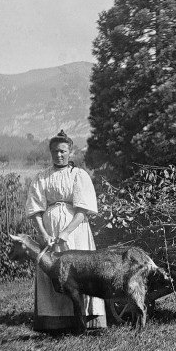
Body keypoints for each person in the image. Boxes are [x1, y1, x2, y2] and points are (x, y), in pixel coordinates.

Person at [25, 130, 106, 332]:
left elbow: (82, 209)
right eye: (55, 151)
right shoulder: (42, 177)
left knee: (80, 271)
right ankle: (55, 322)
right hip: (50, 231)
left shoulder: (79, 175)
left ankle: (85, 320)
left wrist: (67, 231)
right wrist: (44, 233)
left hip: (76, 230)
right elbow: (35, 209)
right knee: (52, 271)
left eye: (62, 151)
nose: (58, 155)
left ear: (70, 151)